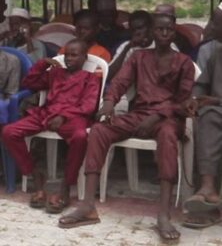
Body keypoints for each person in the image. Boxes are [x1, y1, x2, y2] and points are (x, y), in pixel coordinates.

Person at [59, 13, 195, 243]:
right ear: (152, 31)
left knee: (168, 137)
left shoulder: (183, 62)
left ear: (174, 33)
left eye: (169, 30)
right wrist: (110, 102)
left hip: (168, 118)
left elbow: (183, 102)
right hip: (139, 114)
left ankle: (163, 215)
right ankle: (88, 205)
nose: (164, 34)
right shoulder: (139, 57)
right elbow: (120, 81)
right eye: (160, 29)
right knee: (100, 130)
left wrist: (157, 116)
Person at [2, 39, 100, 214]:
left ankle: (66, 187)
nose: (69, 59)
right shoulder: (55, 73)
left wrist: (64, 116)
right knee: (9, 131)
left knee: (80, 137)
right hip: (46, 114)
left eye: (74, 55)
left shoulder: (90, 78)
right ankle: (35, 176)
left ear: (84, 58)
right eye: (66, 55)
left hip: (73, 118)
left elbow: (89, 106)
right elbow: (29, 84)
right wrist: (41, 64)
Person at [182, 4, 222, 228]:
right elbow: (202, 83)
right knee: (207, 116)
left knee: (212, 112)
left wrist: (216, 101)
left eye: (215, 22)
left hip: (219, 106)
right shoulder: (217, 51)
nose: (210, 27)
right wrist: (195, 99)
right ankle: (208, 189)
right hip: (217, 111)